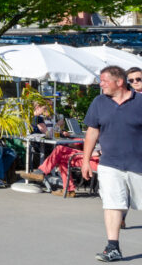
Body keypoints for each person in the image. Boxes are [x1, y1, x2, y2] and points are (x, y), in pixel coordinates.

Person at [82, 65, 142, 262]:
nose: (101, 84)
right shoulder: (99, 102)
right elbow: (92, 132)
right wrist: (85, 160)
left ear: (119, 82)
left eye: (104, 81)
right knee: (112, 205)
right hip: (110, 164)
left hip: (138, 164)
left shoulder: (140, 102)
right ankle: (113, 247)